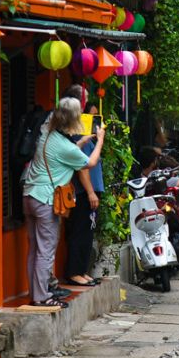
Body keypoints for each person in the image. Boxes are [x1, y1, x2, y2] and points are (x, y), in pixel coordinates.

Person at [23, 97, 105, 308]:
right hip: (45, 200)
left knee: (34, 249)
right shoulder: (64, 147)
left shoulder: (46, 134)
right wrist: (100, 140)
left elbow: (62, 152)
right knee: (46, 250)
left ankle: (36, 293)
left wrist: (81, 142)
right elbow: (90, 162)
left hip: (30, 195)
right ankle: (42, 298)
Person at [64, 102, 104, 287]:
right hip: (84, 192)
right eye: (92, 117)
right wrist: (90, 192)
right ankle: (74, 272)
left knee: (88, 232)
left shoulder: (88, 139)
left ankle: (81, 271)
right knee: (80, 231)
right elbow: (83, 168)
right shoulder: (81, 137)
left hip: (92, 191)